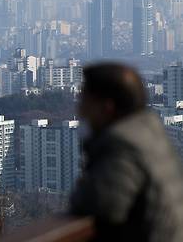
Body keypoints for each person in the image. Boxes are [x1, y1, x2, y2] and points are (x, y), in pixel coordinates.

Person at [70, 63, 183, 241]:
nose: (80, 110)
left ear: (106, 107)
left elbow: (98, 203)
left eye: (84, 101)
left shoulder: (122, 144)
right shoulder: (149, 132)